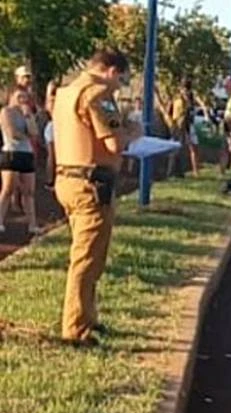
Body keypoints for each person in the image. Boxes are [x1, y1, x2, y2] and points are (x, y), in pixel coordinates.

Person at [52, 48, 142, 347]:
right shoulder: (98, 94)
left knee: (87, 254)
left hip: (68, 179)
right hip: (91, 184)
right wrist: (134, 131)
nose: (119, 87)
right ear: (112, 71)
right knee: (88, 259)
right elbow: (114, 144)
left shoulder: (66, 93)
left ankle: (87, 316)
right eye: (122, 80)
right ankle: (76, 328)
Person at [0, 87, 39, 235]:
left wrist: (28, 116)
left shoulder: (26, 113)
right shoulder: (6, 112)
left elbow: (35, 132)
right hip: (11, 153)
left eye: (25, 97)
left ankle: (32, 225)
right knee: (8, 189)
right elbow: (12, 133)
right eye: (19, 97)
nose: (23, 100)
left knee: (29, 191)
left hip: (26, 153)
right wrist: (27, 136)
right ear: (11, 96)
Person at [168, 78, 199, 177]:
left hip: (186, 124)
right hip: (178, 124)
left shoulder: (189, 98)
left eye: (186, 88)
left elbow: (189, 109)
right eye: (183, 88)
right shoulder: (177, 99)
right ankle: (172, 171)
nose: (184, 90)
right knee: (176, 147)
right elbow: (171, 111)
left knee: (189, 147)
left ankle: (192, 171)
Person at [42, 85, 56, 190]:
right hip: (54, 126)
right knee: (51, 155)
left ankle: (51, 179)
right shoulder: (51, 101)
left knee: (53, 155)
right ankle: (50, 180)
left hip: (54, 125)